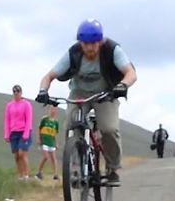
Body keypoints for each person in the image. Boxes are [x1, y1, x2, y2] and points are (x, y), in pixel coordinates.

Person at [36, 19, 136, 186]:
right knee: (70, 125)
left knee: (109, 129)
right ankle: (76, 167)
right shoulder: (73, 53)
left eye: (94, 43)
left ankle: (112, 168)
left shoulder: (112, 50)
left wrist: (122, 85)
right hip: (79, 93)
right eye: (85, 43)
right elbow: (48, 76)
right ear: (80, 42)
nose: (89, 48)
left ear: (100, 41)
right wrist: (43, 91)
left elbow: (130, 73)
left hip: (106, 93)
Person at [3, 85, 33, 179]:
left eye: (18, 92)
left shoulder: (26, 104)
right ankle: (20, 175)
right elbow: (7, 120)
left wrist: (26, 133)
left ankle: (26, 174)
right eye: (15, 92)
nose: (16, 93)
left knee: (22, 154)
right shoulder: (9, 105)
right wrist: (7, 134)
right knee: (16, 156)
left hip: (24, 131)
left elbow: (29, 119)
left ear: (21, 92)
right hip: (14, 132)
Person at [35, 104, 60, 180]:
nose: (53, 111)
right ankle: (39, 172)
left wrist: (56, 142)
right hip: (44, 141)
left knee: (53, 158)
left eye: (55, 109)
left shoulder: (56, 122)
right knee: (46, 157)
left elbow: (56, 133)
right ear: (49, 110)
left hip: (51, 142)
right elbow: (39, 129)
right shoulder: (44, 119)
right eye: (52, 109)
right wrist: (38, 138)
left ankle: (55, 174)